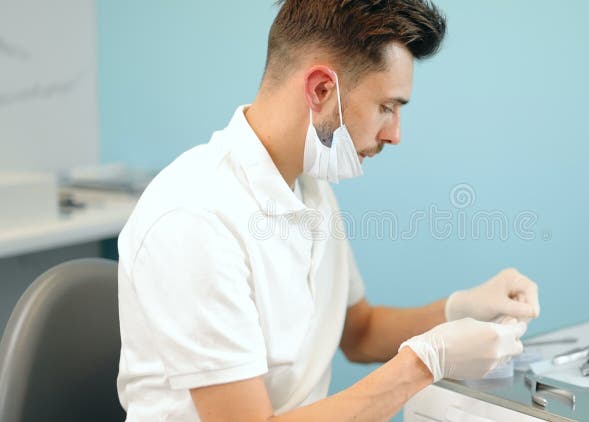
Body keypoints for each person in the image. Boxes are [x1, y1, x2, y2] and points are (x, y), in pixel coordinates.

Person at [116, 1, 540, 420]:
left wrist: (460, 309)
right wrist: (426, 363)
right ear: (321, 90)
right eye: (387, 107)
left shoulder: (310, 185)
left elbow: (360, 332)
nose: (395, 135)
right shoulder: (194, 218)